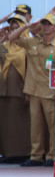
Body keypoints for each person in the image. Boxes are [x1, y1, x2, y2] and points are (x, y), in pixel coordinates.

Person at [6, 13, 55, 166]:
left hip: (50, 92)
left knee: (53, 126)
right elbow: (12, 38)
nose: (46, 27)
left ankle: (53, 156)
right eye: (44, 24)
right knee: (36, 126)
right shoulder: (33, 42)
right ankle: (36, 155)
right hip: (33, 91)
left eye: (49, 24)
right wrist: (27, 26)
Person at [0, 14, 31, 163]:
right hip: (4, 90)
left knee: (19, 125)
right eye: (12, 28)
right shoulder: (5, 46)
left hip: (20, 91)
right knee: (6, 124)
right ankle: (7, 153)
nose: (13, 31)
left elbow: (31, 71)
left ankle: (20, 153)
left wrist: (28, 92)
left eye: (17, 28)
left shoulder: (28, 47)